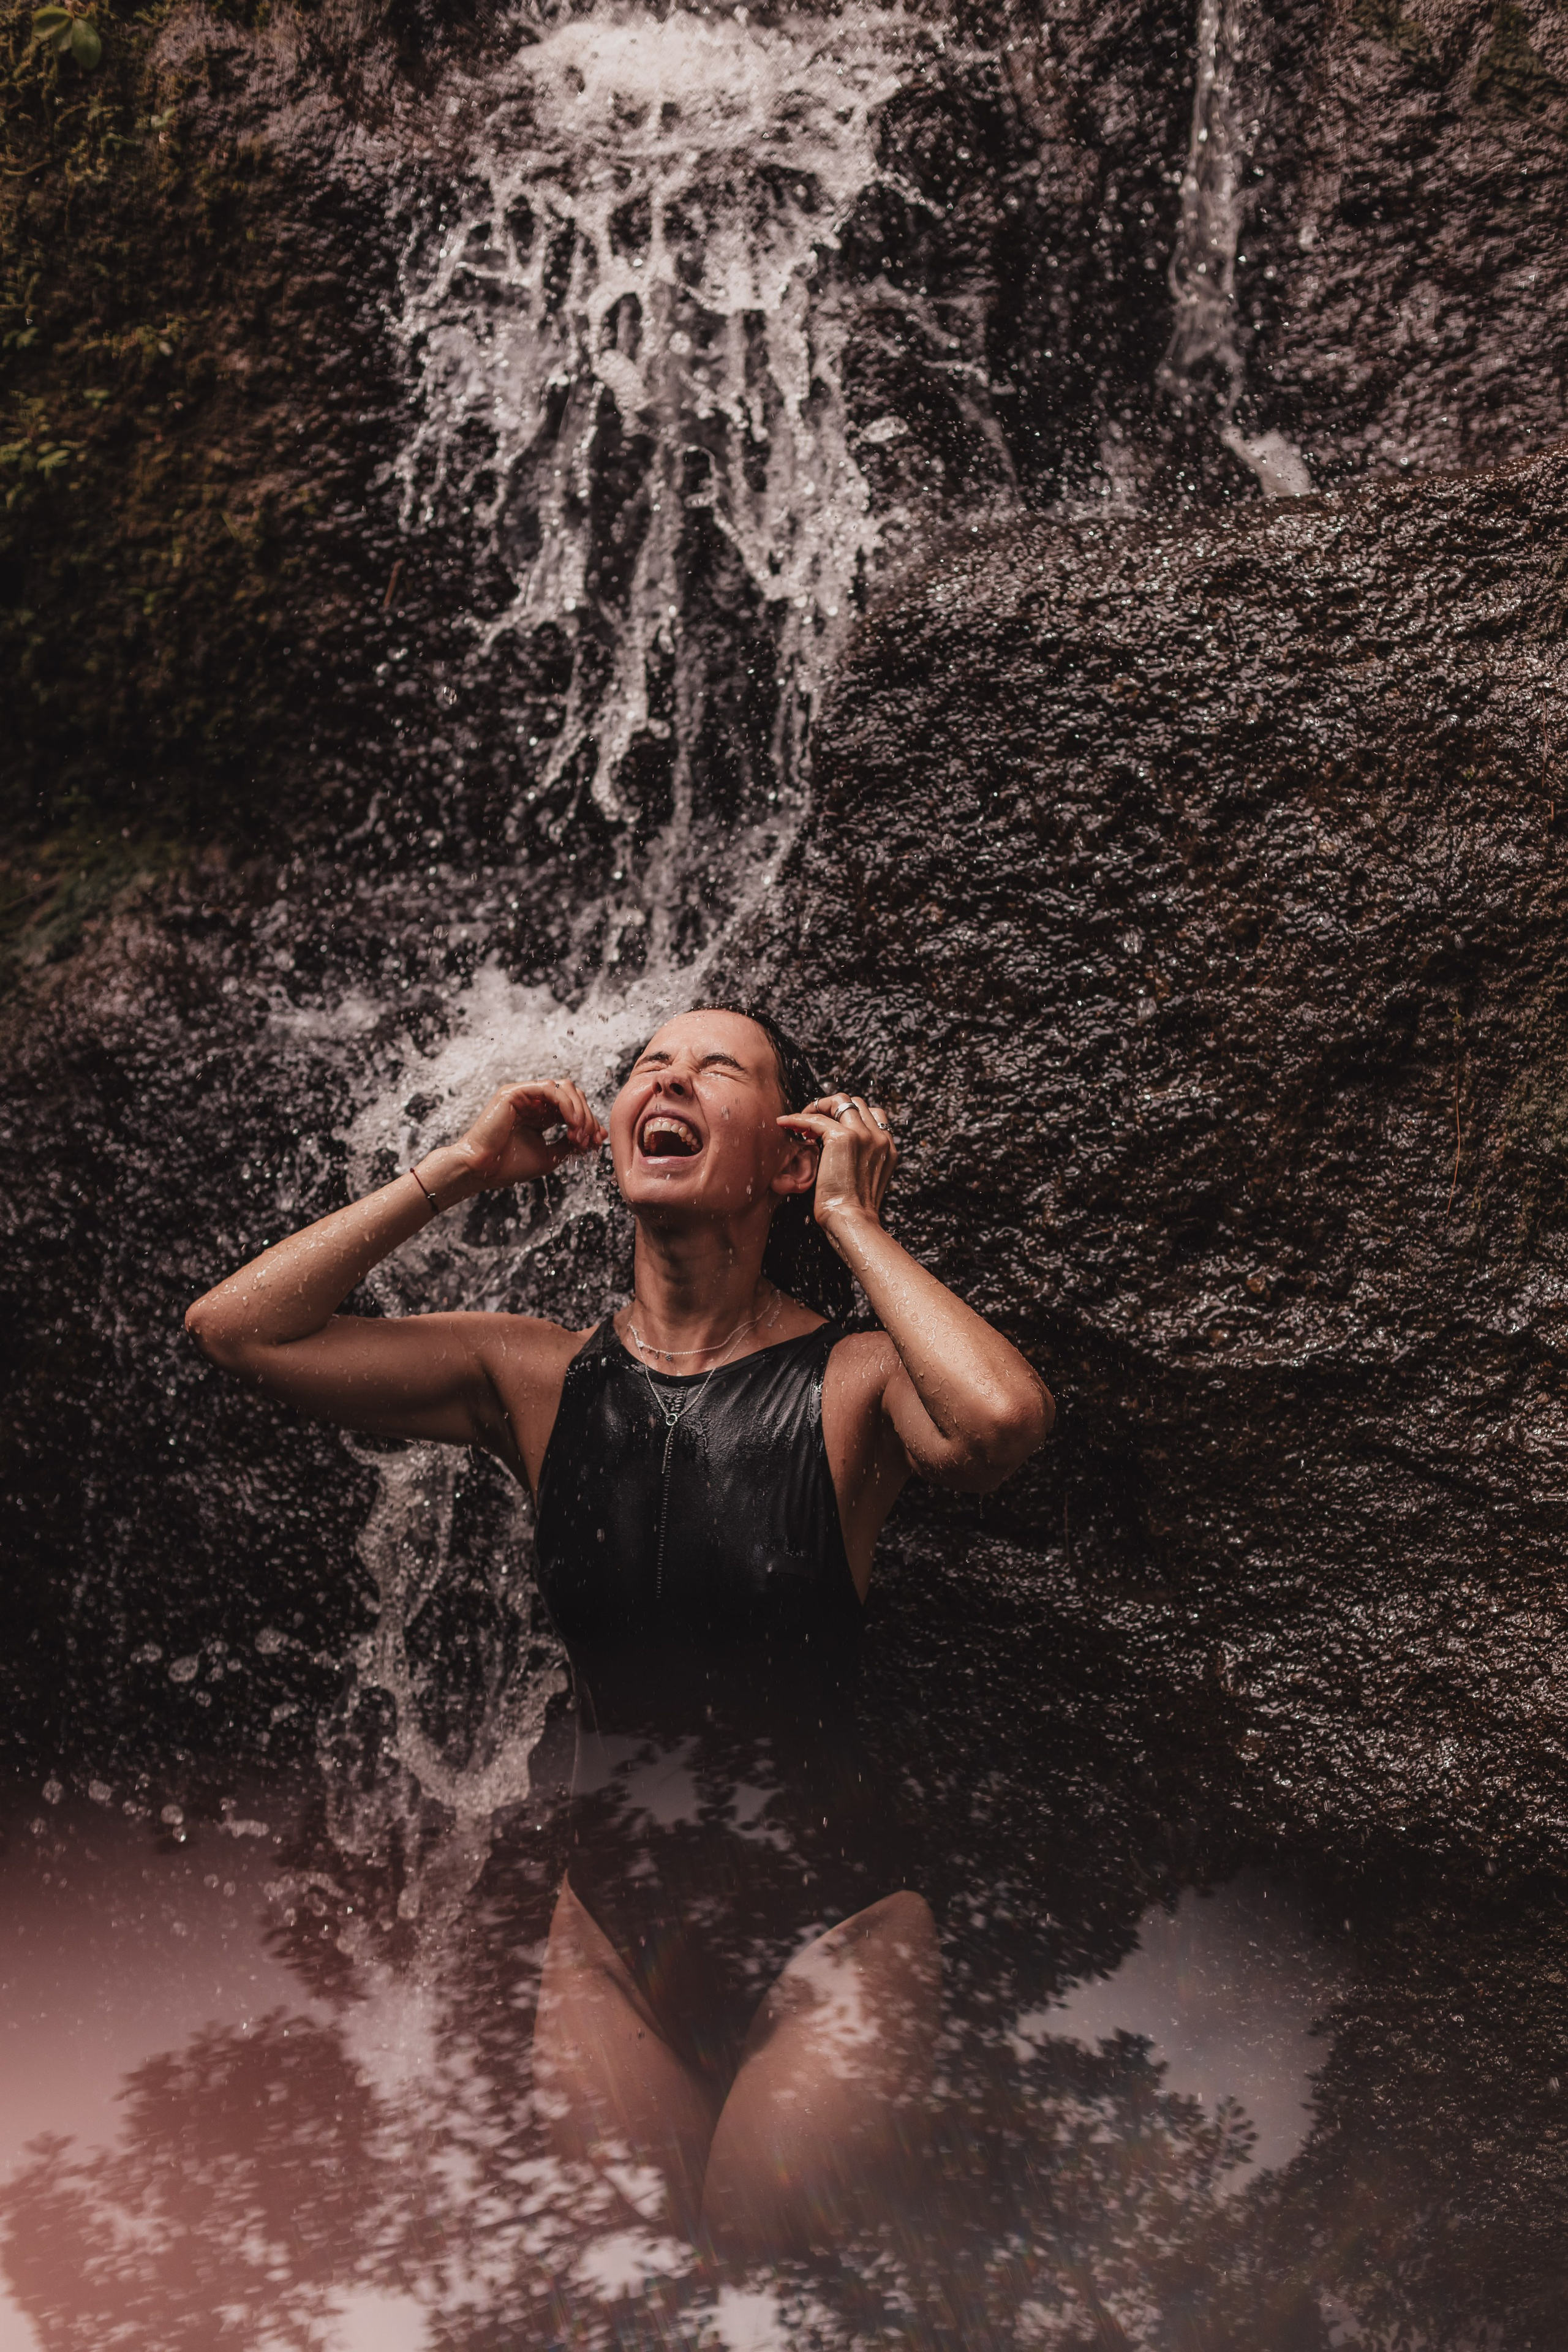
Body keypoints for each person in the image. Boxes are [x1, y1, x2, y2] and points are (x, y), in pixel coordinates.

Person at [186, 1005, 1051, 2258]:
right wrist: (462, 1169)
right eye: (649, 1064)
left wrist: (854, 1225)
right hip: (608, 1946)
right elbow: (236, 1330)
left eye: (717, 1069)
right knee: (626, 2290)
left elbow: (998, 1423)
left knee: (764, 2289)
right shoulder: (530, 1378)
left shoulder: (853, 1381)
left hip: (837, 1937)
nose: (669, 1078)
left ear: (786, 1159)